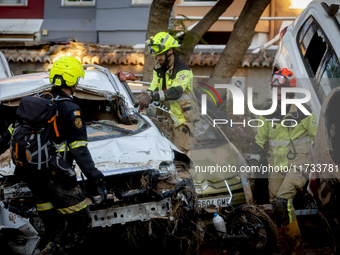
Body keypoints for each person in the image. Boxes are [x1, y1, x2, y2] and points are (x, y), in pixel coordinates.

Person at [0, 56, 107, 255]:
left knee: (53, 228)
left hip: (32, 175)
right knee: (81, 226)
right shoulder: (71, 110)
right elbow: (79, 150)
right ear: (73, 80)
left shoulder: (37, 103)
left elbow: (8, 134)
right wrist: (97, 179)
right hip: (57, 177)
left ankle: (47, 248)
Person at [249, 68, 318, 254]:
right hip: (276, 166)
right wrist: (253, 161)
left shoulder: (304, 111)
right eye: (275, 89)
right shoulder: (266, 112)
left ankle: (296, 249)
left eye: (282, 89)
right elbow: (259, 140)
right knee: (276, 206)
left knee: (282, 201)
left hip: (299, 165)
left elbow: (318, 138)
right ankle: (285, 247)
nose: (278, 93)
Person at [135, 32, 200, 155]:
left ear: (170, 51)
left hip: (182, 119)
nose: (157, 57)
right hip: (165, 118)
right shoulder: (158, 68)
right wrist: (143, 97)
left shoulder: (182, 69)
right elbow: (153, 87)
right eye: (156, 54)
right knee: (163, 154)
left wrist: (151, 96)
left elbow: (176, 91)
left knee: (179, 156)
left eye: (160, 54)